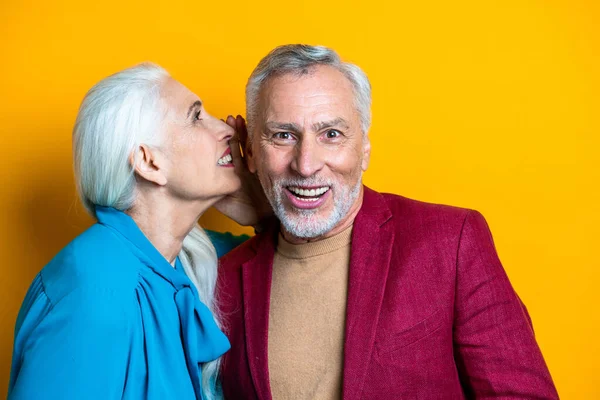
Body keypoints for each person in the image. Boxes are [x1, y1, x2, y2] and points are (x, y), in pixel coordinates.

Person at [217, 45, 559, 399]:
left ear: (364, 147)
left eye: (331, 134)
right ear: (251, 151)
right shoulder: (224, 278)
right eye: (283, 136)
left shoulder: (450, 242)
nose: (306, 165)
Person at [8, 62, 259, 399]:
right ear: (149, 162)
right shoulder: (91, 291)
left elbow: (292, 260)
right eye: (196, 116)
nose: (227, 130)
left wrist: (262, 214)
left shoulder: (189, 257)